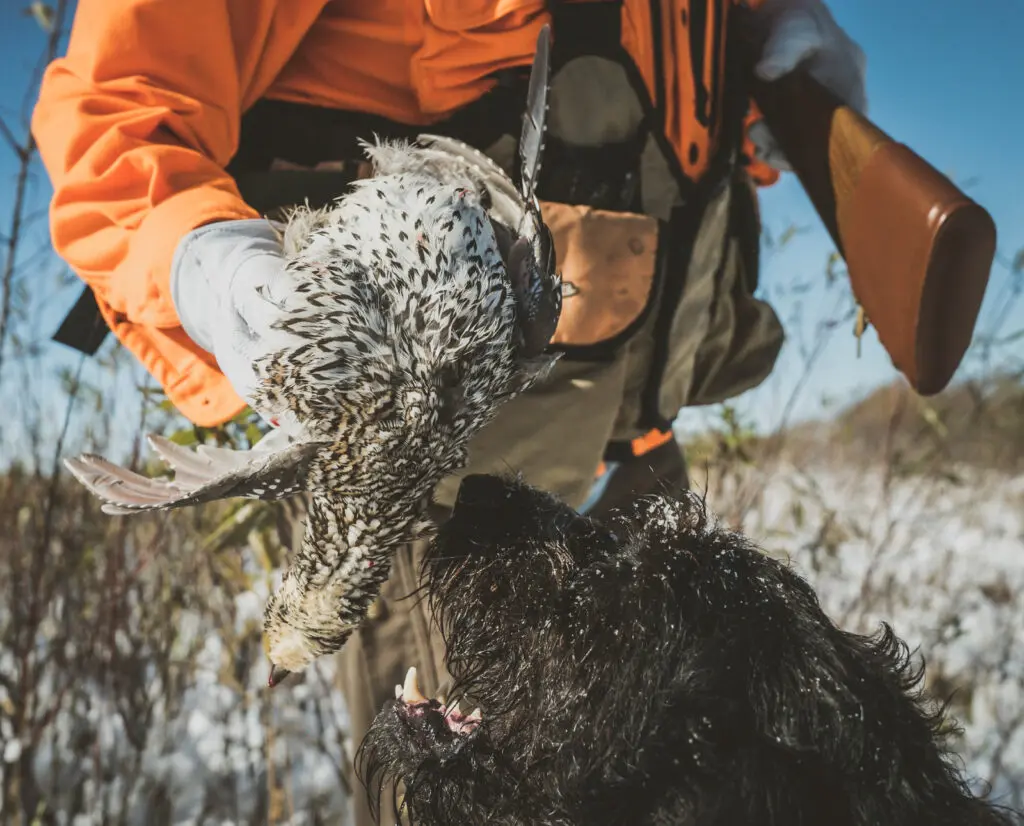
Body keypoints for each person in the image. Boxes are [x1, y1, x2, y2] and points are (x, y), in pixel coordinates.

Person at [32, 1, 867, 822]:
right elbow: (118, 109)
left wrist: (755, 44)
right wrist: (197, 257)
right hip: (458, 537)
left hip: (643, 457)